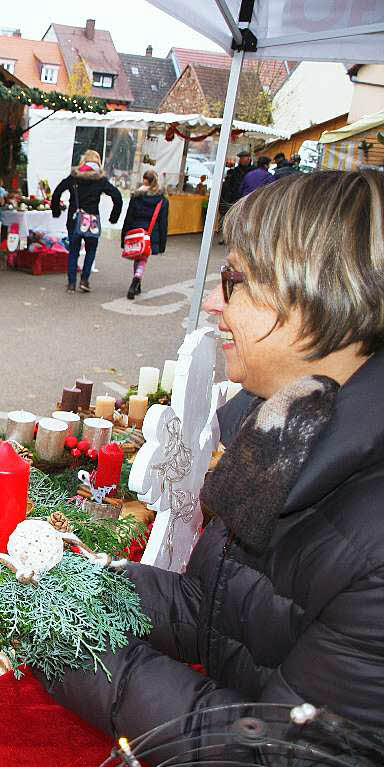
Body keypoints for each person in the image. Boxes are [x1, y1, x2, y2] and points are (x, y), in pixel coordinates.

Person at [38, 170, 384, 742]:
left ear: (324, 298)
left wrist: (71, 654)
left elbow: (281, 750)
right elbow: (212, 611)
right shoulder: (284, 427)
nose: (214, 302)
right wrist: (65, 586)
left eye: (237, 280)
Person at [51, 149, 123, 293]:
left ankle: (71, 283)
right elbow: (117, 197)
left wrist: (56, 210)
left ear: (83, 161)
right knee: (91, 250)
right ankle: (84, 280)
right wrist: (114, 217)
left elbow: (57, 192)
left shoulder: (74, 177)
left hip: (74, 218)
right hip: (92, 221)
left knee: (74, 251)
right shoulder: (100, 179)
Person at [120, 170, 168, 300]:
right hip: (151, 233)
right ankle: (136, 280)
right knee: (143, 257)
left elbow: (128, 217)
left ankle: (137, 282)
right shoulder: (162, 200)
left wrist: (124, 237)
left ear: (144, 180)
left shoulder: (136, 196)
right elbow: (163, 223)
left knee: (138, 256)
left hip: (136, 230)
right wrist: (162, 244)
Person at [218, 150, 251, 244]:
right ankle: (226, 237)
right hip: (234, 198)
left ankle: (240, 239)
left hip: (247, 198)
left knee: (243, 220)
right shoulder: (235, 171)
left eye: (244, 158)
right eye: (241, 158)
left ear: (249, 159)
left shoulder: (252, 170)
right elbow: (230, 185)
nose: (242, 160)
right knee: (231, 218)